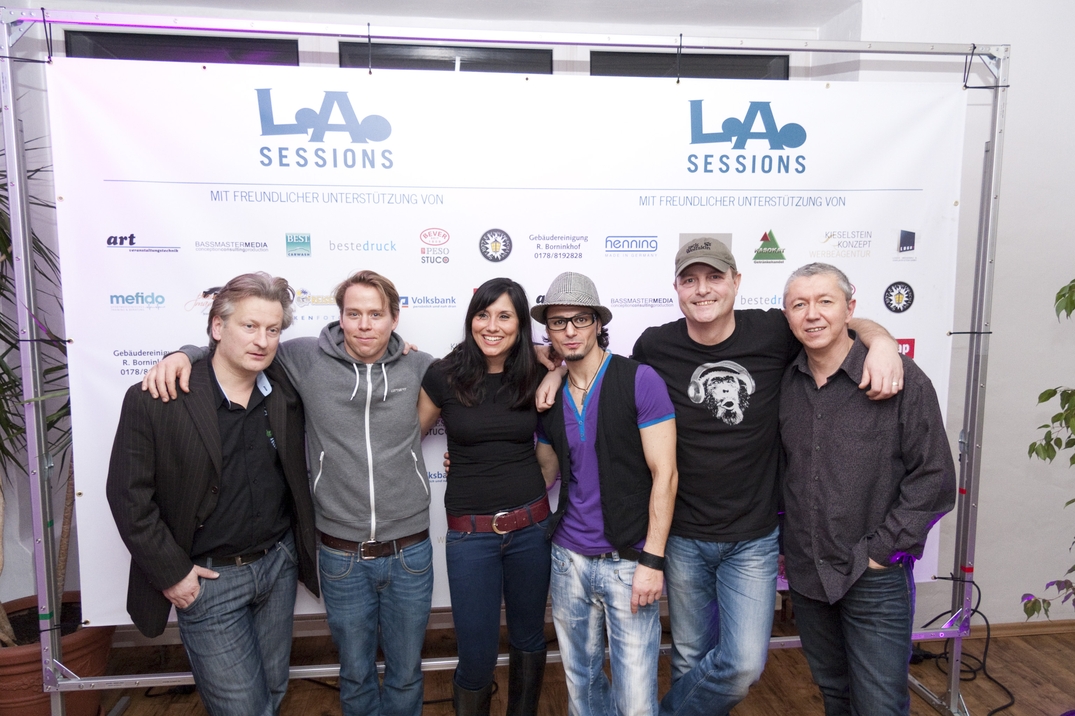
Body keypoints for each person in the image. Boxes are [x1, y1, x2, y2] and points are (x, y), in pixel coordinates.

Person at [628, 238, 906, 716]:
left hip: (753, 538)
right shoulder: (654, 345)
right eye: (690, 280)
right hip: (683, 535)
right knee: (691, 659)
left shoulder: (774, 330)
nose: (702, 289)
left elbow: (839, 322)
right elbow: (612, 385)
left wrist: (882, 342)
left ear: (736, 282)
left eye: (714, 277)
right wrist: (555, 369)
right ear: (676, 288)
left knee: (741, 665)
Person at [143, 270, 436, 716]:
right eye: (353, 313)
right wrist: (184, 353)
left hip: (410, 551)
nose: (364, 325)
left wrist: (545, 361)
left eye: (376, 314)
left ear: (395, 319)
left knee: (407, 672)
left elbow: (484, 372)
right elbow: (239, 349)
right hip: (340, 554)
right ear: (340, 316)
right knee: (355, 672)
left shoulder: (420, 366)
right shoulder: (303, 358)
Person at [107, 272, 319, 716]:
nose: (262, 340)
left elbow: (355, 349)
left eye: (273, 329)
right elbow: (128, 496)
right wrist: (173, 574)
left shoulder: (284, 389)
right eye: (249, 326)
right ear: (218, 326)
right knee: (243, 709)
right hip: (209, 581)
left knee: (273, 692)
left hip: (277, 568)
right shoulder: (157, 398)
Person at [779, 263, 956, 716]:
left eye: (825, 301)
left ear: (850, 308)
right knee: (835, 694)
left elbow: (935, 476)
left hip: (873, 576)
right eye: (799, 304)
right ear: (787, 315)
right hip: (808, 573)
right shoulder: (785, 382)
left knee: (880, 704)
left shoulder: (900, 378)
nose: (812, 314)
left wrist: (881, 552)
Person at [532, 271, 678, 716]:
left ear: (598, 322)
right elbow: (546, 472)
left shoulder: (639, 380)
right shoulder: (549, 395)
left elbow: (666, 474)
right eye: (558, 322)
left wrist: (652, 560)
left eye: (580, 319)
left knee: (636, 703)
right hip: (568, 561)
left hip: (628, 560)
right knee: (583, 688)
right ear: (548, 331)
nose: (570, 330)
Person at [417, 278, 553, 716]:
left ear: (520, 325)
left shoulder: (536, 373)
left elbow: (554, 447)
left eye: (504, 316)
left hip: (531, 528)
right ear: (471, 319)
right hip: (470, 535)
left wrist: (555, 367)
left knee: (529, 640)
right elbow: (405, 440)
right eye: (483, 314)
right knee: (476, 654)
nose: (491, 326)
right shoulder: (443, 374)